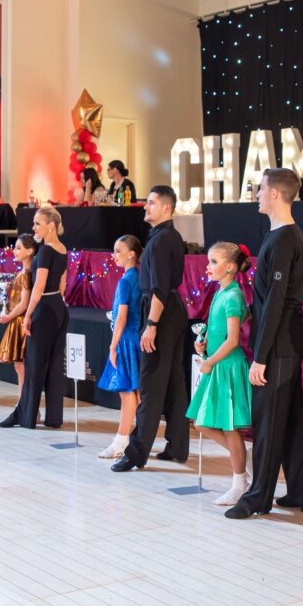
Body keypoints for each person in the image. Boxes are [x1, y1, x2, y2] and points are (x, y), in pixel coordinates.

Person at [226, 168, 303, 519]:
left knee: (268, 422)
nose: (257, 194)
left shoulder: (284, 239)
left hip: (278, 345)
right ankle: (299, 493)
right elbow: (268, 299)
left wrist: (260, 357)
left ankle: (258, 497)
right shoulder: (280, 236)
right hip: (284, 339)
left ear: (275, 193)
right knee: (291, 421)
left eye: (261, 189)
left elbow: (277, 301)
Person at [111, 185, 189, 472]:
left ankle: (136, 453)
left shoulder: (159, 242)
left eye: (152, 203)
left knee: (151, 383)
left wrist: (151, 324)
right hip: (173, 310)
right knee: (174, 382)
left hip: (161, 312)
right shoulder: (169, 236)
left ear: (166, 208)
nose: (145, 206)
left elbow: (159, 288)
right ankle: (178, 446)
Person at [188, 242, 253, 506]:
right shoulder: (220, 292)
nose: (208, 266)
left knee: (230, 427)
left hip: (227, 367)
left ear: (230, 267)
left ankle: (240, 482)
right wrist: (203, 346)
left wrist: (210, 361)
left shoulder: (234, 296)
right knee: (201, 423)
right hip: (216, 365)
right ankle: (244, 458)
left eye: (214, 261)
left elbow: (234, 340)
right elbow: (219, 333)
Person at [0, 207, 69, 428]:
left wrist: (28, 314)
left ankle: (26, 416)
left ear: (51, 225)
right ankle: (53, 418)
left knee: (34, 365)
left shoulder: (46, 251)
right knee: (55, 365)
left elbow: (38, 287)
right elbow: (62, 286)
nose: (33, 227)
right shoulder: (63, 249)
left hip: (44, 308)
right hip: (58, 307)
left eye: (37, 223)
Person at [96, 235, 142, 459]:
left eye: (118, 251)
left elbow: (122, 316)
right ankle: (131, 440)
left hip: (126, 340)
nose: (114, 256)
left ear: (131, 253)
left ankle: (121, 442)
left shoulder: (126, 281)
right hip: (135, 338)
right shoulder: (137, 277)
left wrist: (113, 346)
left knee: (127, 393)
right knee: (134, 392)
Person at [0, 234, 38, 403]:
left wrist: (8, 317)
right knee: (19, 365)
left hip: (20, 321)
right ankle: (23, 399)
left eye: (19, 248)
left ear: (30, 251)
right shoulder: (23, 272)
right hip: (17, 320)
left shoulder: (27, 274)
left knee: (22, 365)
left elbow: (24, 303)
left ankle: (25, 400)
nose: (14, 251)